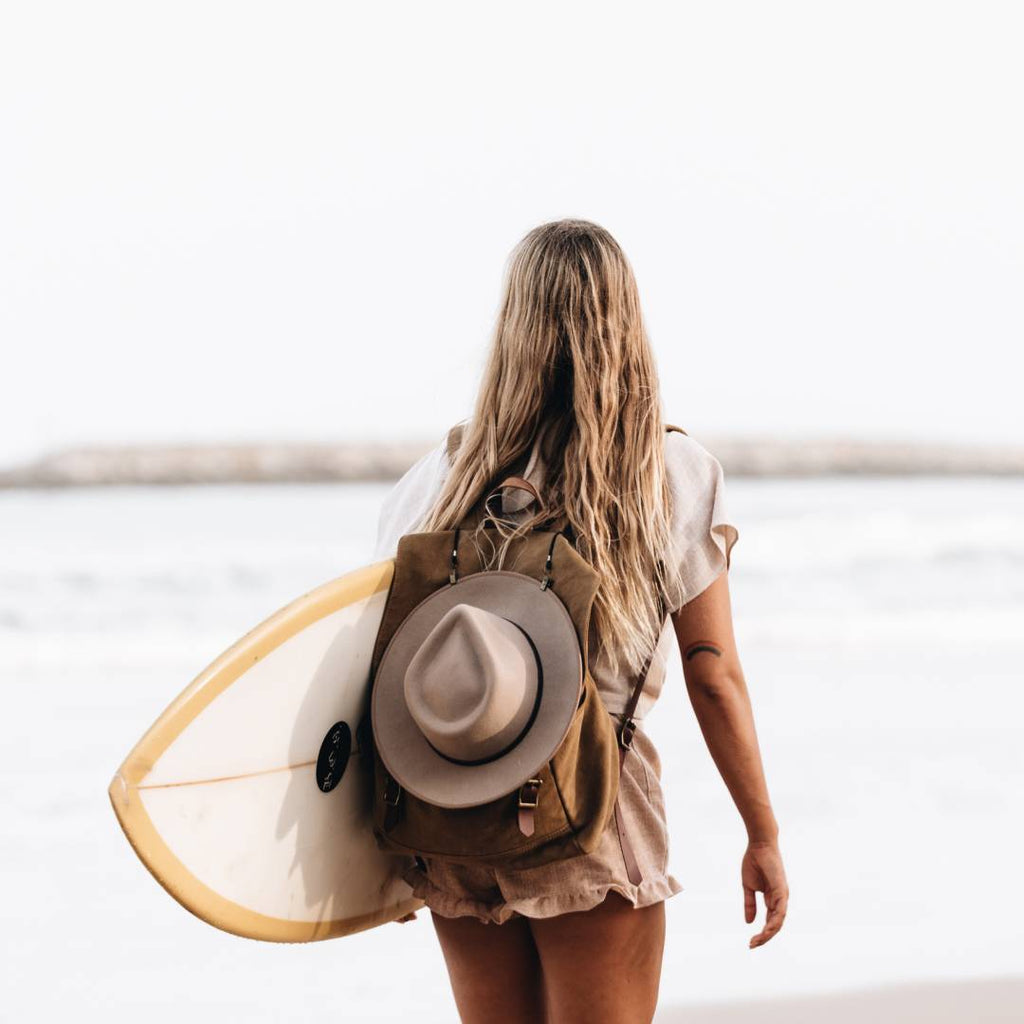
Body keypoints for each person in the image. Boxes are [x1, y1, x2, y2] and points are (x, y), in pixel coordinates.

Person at [371, 219, 788, 1024]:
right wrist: (762, 833)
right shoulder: (665, 471)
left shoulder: (440, 476)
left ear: (513, 326)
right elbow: (711, 667)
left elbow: (376, 655)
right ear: (623, 322)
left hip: (450, 799)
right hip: (592, 798)